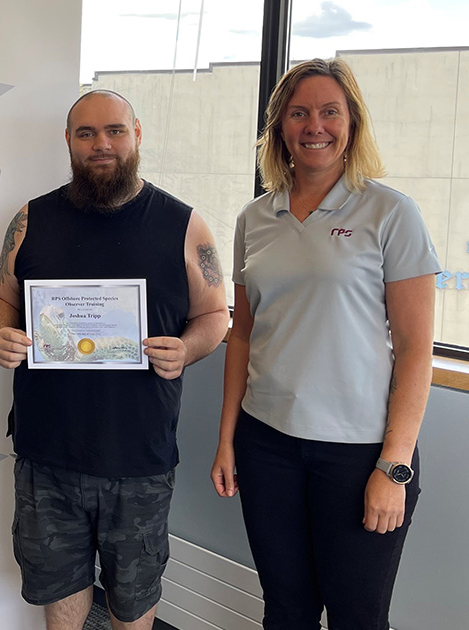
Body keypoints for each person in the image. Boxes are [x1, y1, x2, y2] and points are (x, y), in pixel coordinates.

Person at [0, 90, 229, 630]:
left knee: (132, 600)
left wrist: (187, 348)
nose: (102, 144)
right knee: (59, 590)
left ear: (136, 135)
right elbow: (0, 298)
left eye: (115, 130)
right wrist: (2, 332)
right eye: (87, 133)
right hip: (48, 452)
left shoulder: (184, 224)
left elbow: (215, 313)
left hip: (138, 456)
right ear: (69, 141)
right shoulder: (31, 219)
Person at [210, 58, 439, 630]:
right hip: (267, 445)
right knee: (286, 611)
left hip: (359, 454)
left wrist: (395, 466)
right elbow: (243, 334)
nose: (315, 125)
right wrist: (227, 440)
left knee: (358, 617)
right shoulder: (254, 218)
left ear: (352, 123)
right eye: (299, 113)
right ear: (280, 128)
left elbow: (416, 350)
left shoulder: (391, 213)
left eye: (330, 111)